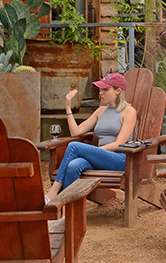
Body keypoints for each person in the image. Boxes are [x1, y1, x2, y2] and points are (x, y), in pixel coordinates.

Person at [45, 72, 137, 203]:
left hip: (120, 159)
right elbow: (76, 132)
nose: (101, 93)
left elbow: (119, 143)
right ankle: (69, 213)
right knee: (73, 165)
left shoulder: (129, 111)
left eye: (105, 89)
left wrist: (94, 152)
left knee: (74, 147)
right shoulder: (100, 111)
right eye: (101, 89)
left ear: (118, 91)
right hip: (99, 159)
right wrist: (67, 106)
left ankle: (53, 194)